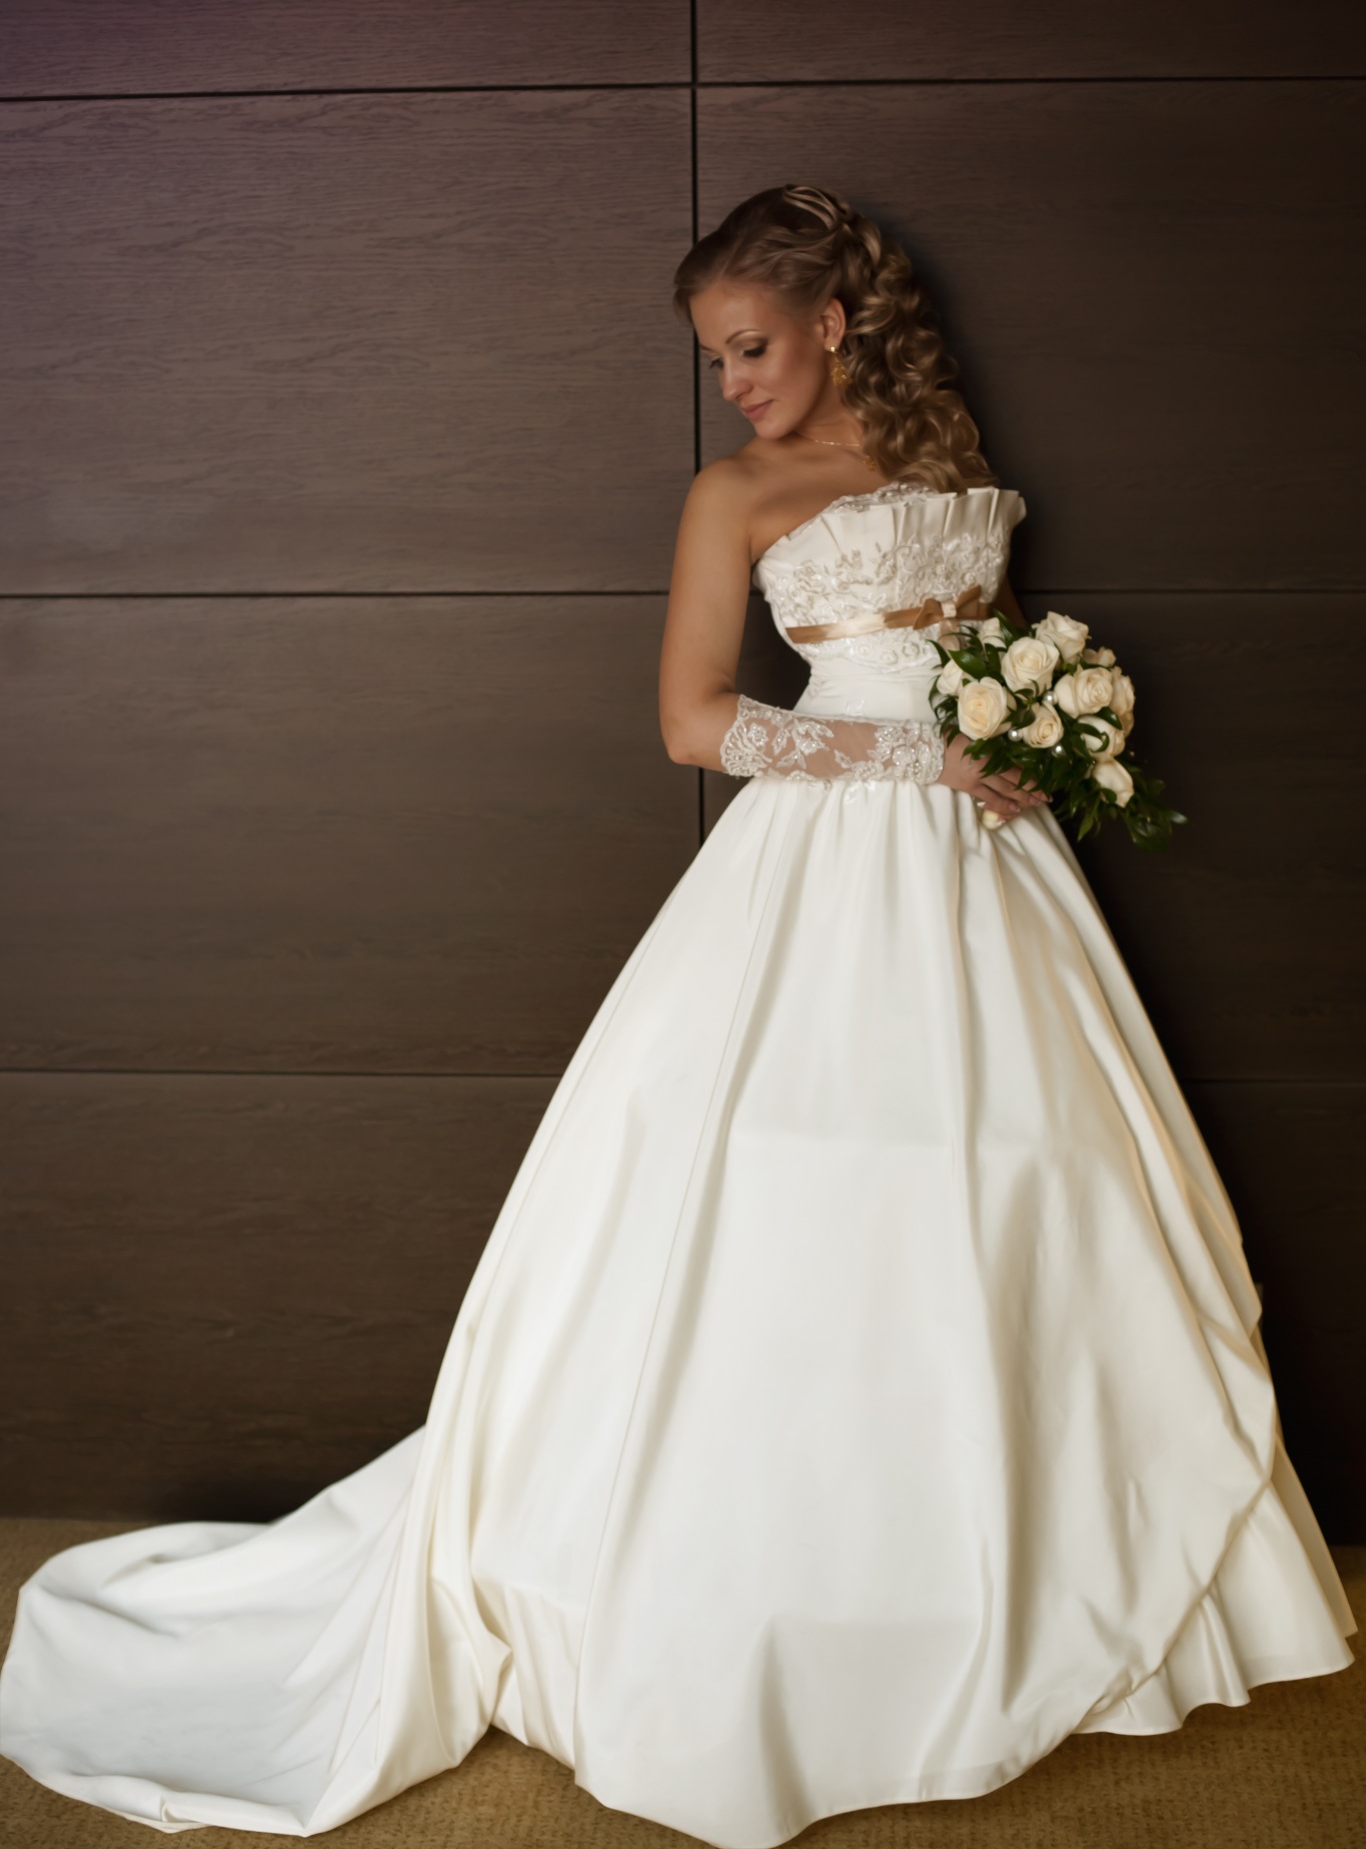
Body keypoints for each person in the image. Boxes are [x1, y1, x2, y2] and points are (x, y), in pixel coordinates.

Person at [0, 184, 1355, 1848]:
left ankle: (986, 1577)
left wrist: (1038, 728)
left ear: (834, 324)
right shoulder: (732, 493)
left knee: (1022, 1191)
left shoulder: (946, 457)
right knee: (775, 1201)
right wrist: (916, 754)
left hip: (990, 873)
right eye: (717, 359)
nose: (735, 383)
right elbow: (692, 721)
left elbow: (985, 653)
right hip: (824, 872)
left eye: (751, 348)